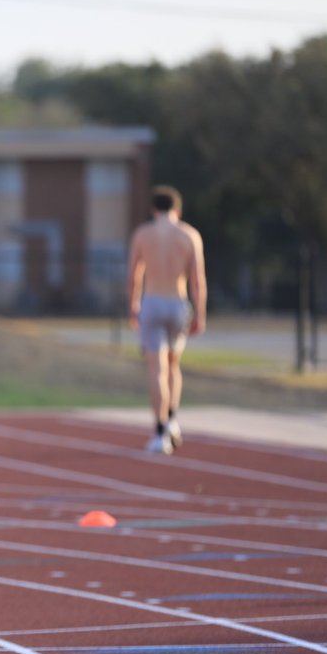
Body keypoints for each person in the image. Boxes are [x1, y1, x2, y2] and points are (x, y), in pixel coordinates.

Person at [127, 185, 206, 454]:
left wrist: (133, 305)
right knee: (174, 365)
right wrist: (201, 313)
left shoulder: (143, 234)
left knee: (156, 368)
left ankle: (160, 430)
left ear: (153, 209)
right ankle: (172, 418)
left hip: (153, 301)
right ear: (177, 209)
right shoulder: (190, 235)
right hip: (178, 303)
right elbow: (198, 280)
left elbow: (134, 274)